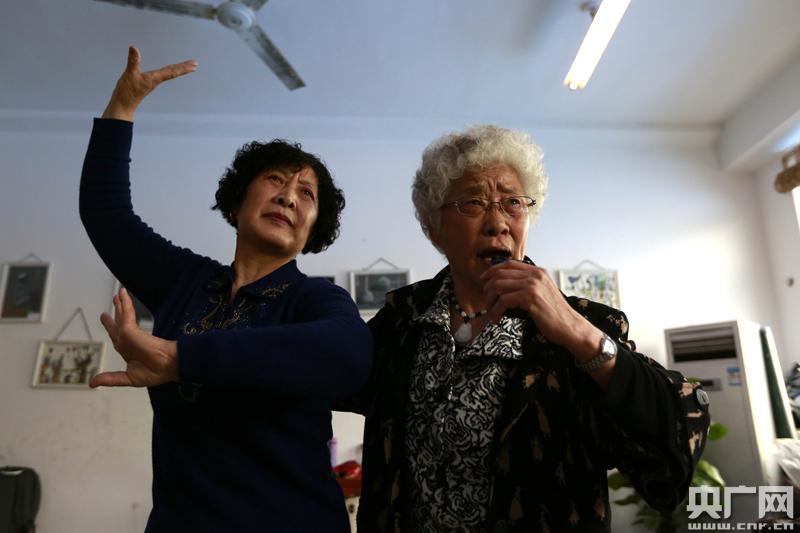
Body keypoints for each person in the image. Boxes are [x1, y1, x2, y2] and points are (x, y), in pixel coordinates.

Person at [342, 125, 711, 532]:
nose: (498, 222)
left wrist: (576, 331)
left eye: (513, 202)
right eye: (473, 203)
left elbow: (677, 440)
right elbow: (324, 382)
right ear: (435, 229)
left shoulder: (587, 323)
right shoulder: (403, 318)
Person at [79, 47, 372, 532]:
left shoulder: (316, 300)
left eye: (306, 194)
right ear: (237, 204)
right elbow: (106, 215)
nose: (288, 196)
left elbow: (349, 353)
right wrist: (122, 107)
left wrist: (179, 359)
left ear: (312, 231)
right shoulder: (184, 280)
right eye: (275, 180)